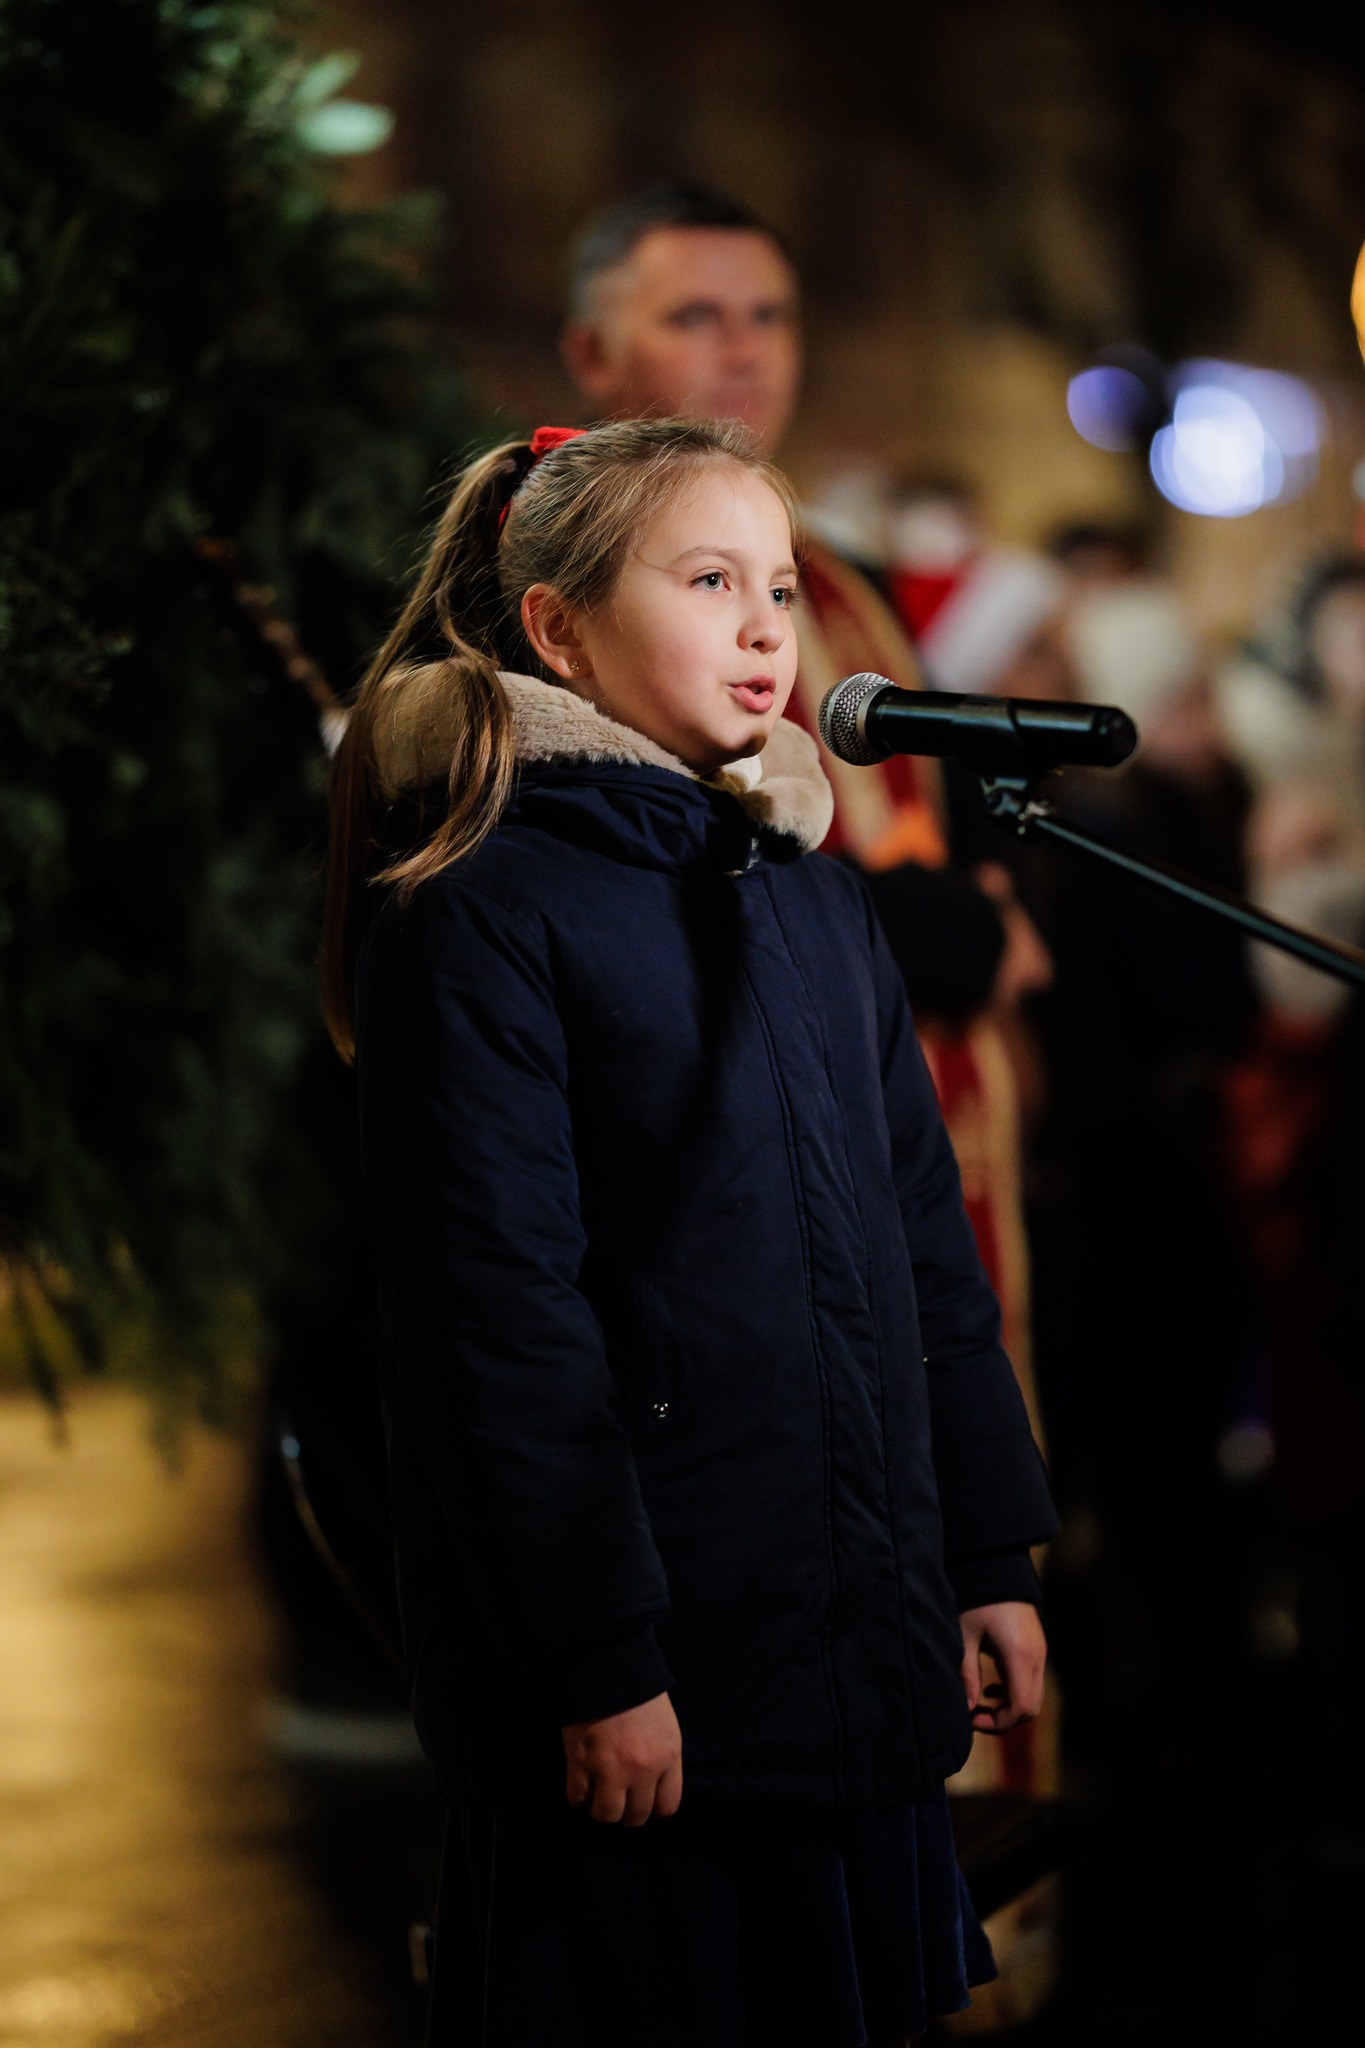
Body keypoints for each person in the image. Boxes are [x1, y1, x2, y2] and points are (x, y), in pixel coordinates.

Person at [324, 417, 1057, 2046]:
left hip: (848, 1636)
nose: (763, 629)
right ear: (559, 629)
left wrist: (980, 1555)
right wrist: (593, 1655)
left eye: (779, 588)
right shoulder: (478, 909)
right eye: (708, 580)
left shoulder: (816, 895)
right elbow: (495, 1329)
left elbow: (920, 1257)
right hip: (648, 1675)